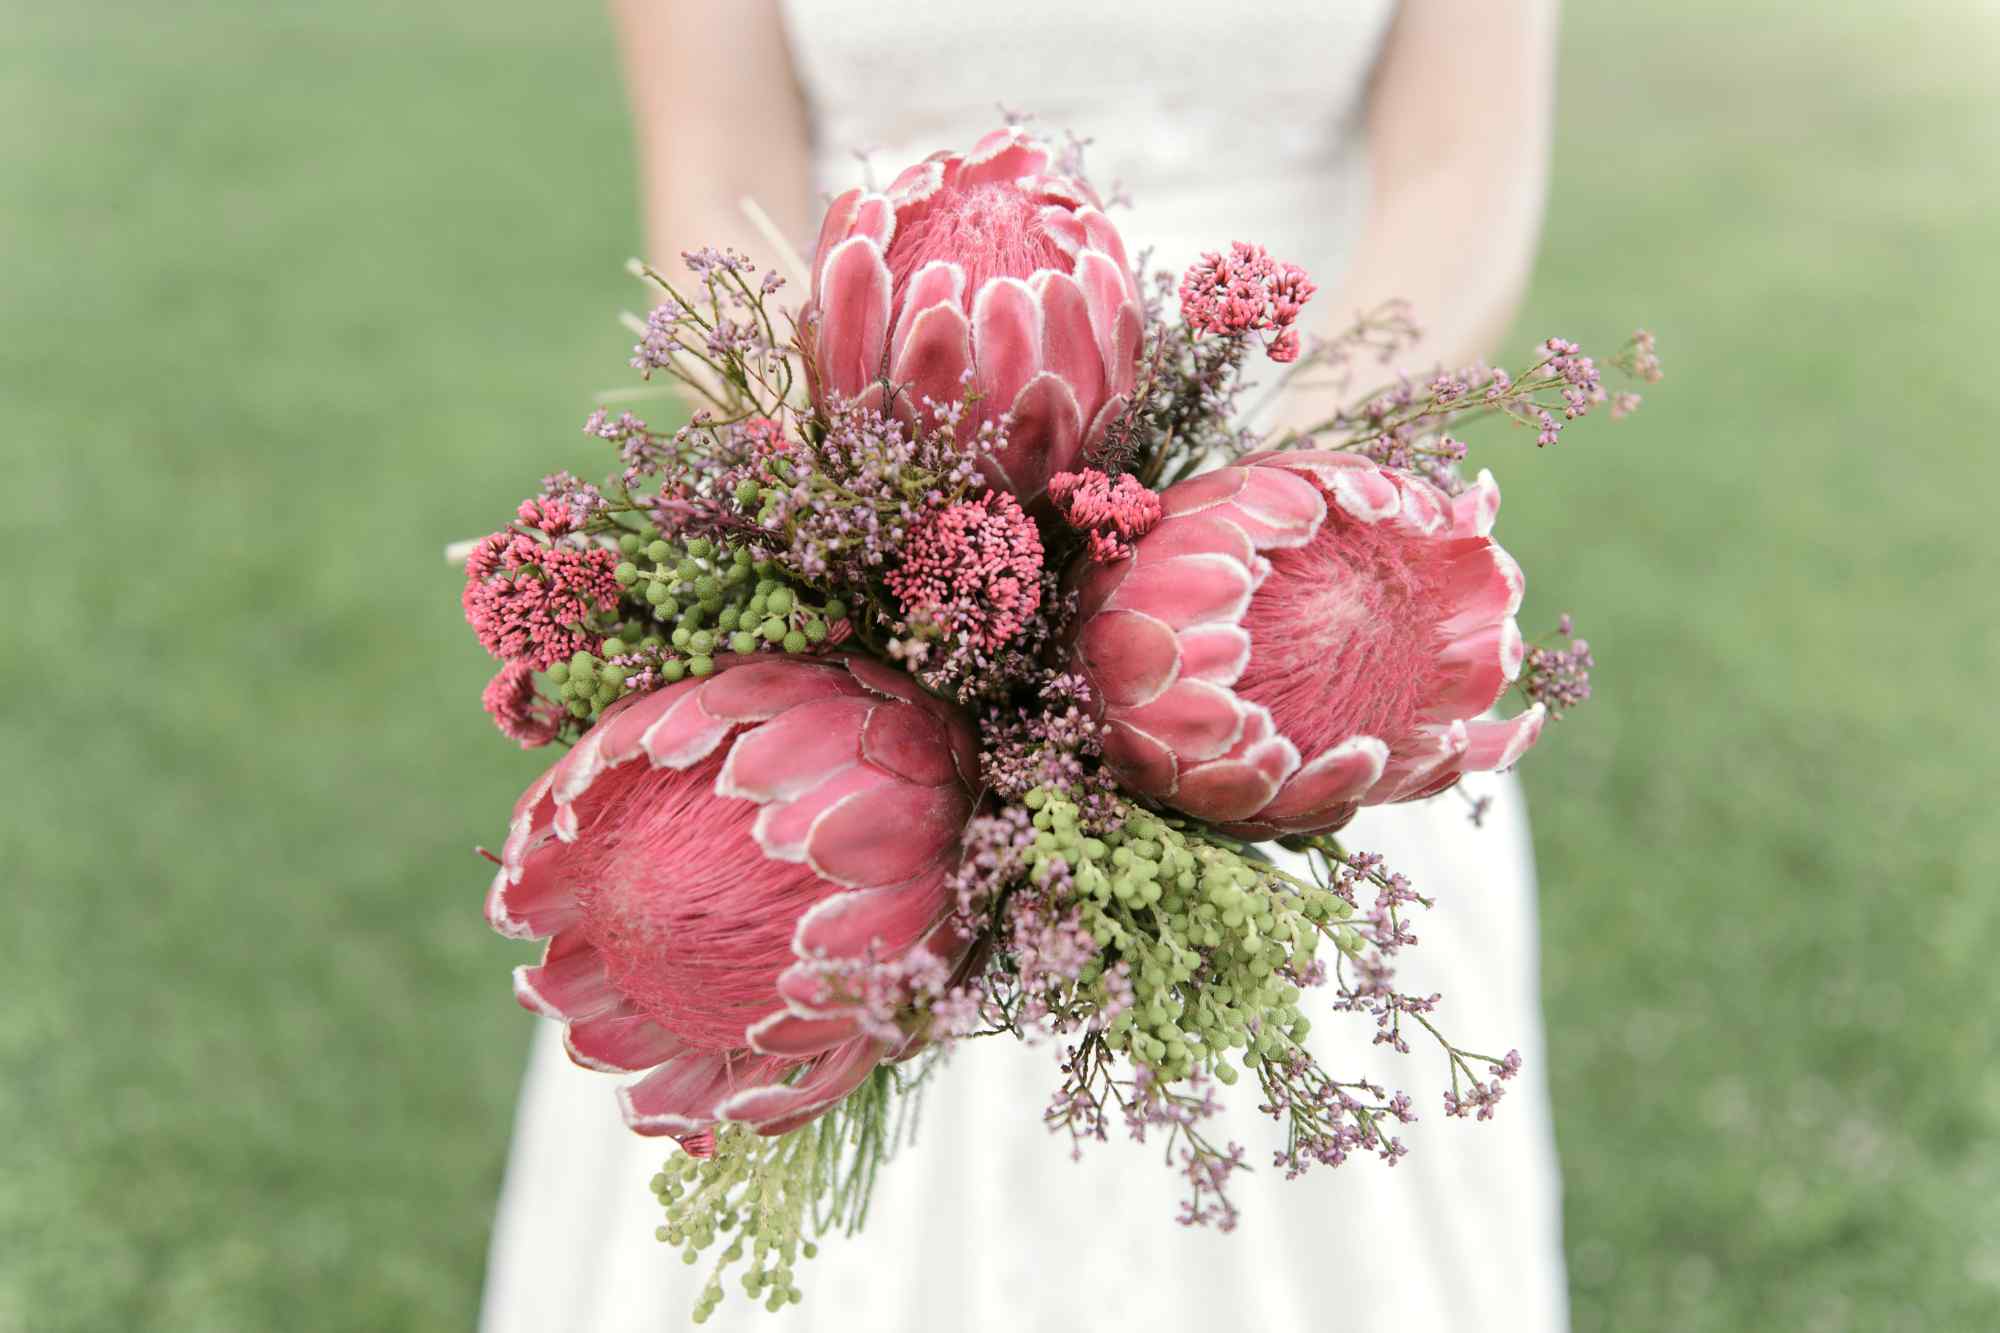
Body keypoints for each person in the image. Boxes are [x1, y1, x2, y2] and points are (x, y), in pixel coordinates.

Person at [482, 3, 1567, 1329]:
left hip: (1308, 588)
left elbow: (1464, 165)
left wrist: (1265, 529)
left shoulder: (1304, 581)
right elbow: (721, 166)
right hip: (864, 516)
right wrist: (859, 552)